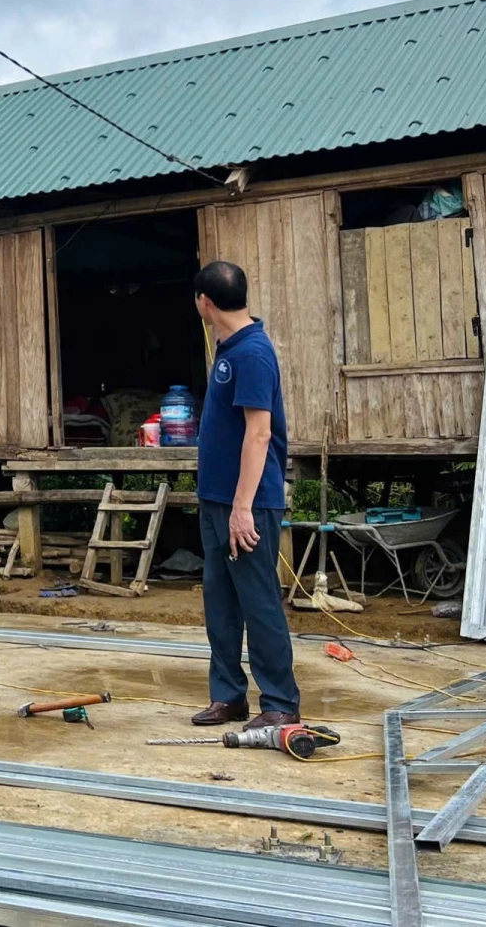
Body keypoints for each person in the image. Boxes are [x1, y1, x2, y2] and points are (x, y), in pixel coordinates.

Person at [190, 260, 301, 730]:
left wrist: (241, 509)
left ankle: (279, 702)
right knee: (220, 601)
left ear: (204, 302)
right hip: (217, 497)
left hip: (247, 502)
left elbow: (259, 435)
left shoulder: (253, 353)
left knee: (257, 601)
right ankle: (228, 696)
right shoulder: (229, 346)